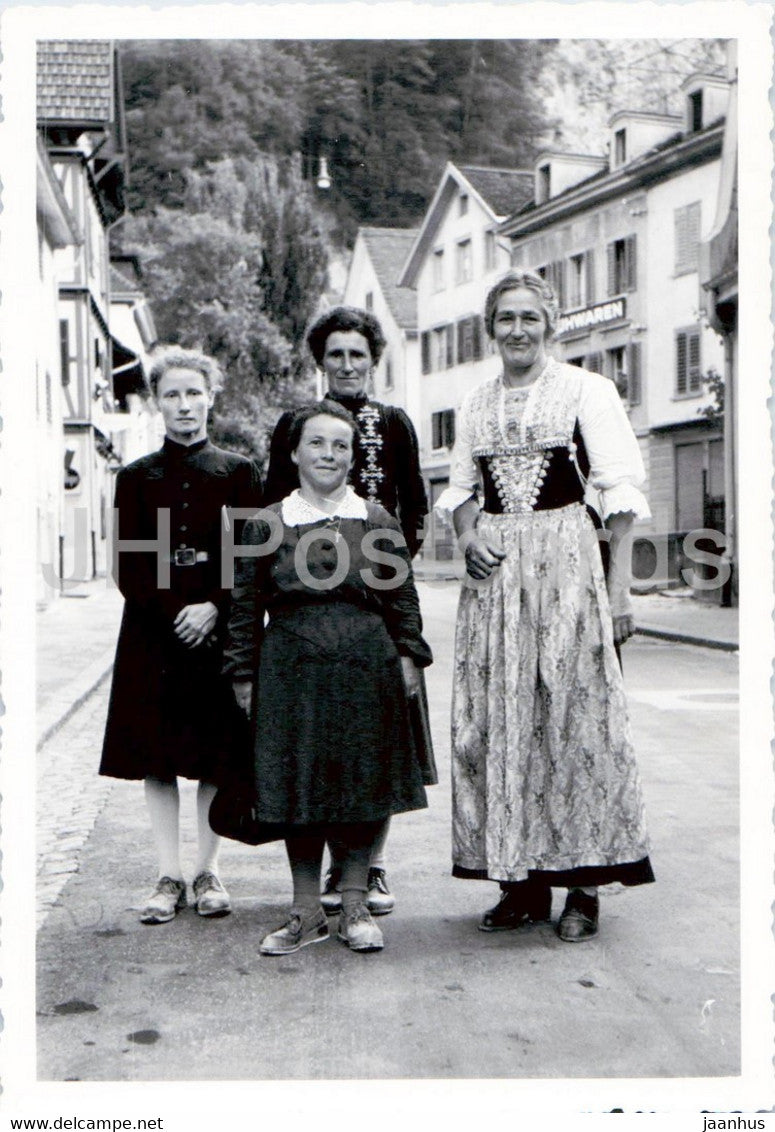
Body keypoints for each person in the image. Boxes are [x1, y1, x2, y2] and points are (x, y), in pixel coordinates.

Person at [436, 270, 655, 943]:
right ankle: (520, 882)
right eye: (505, 318)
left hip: (567, 566)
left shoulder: (587, 390)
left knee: (572, 718)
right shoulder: (473, 403)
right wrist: (468, 535)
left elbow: (617, 495)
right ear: (490, 327)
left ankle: (582, 888)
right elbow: (459, 490)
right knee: (500, 720)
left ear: (550, 324)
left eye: (530, 317)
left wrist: (618, 591)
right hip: (497, 580)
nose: (518, 330)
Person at [223, 400, 432, 955]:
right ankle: (305, 911)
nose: (329, 455)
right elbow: (244, 607)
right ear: (294, 452)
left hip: (370, 668)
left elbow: (402, 598)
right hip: (292, 671)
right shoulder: (268, 523)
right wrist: (243, 674)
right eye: (317, 443)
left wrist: (409, 657)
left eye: (341, 445)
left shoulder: (377, 518)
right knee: (298, 787)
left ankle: (357, 904)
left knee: (365, 783)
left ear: (352, 457)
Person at [264, 306, 429, 917]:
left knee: (376, 741)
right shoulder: (295, 423)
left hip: (376, 590)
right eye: (336, 353)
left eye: (358, 353)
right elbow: (271, 499)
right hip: (308, 595)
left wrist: (385, 572)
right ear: (320, 361)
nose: (347, 364)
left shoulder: (395, 422)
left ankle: (369, 868)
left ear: (373, 359)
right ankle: (323, 878)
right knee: (317, 736)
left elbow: (413, 504)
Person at [99, 346, 263, 925]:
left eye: (194, 392)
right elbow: (130, 563)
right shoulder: (135, 477)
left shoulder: (240, 471)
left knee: (216, 753)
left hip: (219, 632)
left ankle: (207, 869)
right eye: (172, 394)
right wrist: (178, 610)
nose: (184, 405)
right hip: (154, 633)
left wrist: (215, 607)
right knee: (158, 756)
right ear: (156, 402)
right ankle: (168, 873)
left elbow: (250, 553)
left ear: (211, 396)